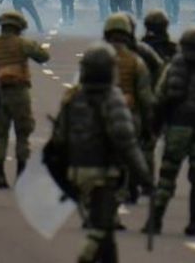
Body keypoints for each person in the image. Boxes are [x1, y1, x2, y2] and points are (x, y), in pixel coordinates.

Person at [48, 43, 152, 263]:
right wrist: (144, 177)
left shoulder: (72, 98)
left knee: (106, 236)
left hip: (76, 173)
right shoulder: (113, 99)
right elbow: (126, 142)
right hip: (103, 174)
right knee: (101, 230)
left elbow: (59, 140)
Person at [146, 28, 195, 237]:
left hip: (177, 127)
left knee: (167, 175)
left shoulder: (172, 68)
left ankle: (156, 219)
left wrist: (155, 128)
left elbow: (160, 99)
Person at [0, 10, 50, 188]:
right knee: (23, 134)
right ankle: (20, 175)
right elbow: (43, 57)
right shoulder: (23, 43)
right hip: (19, 92)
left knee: (0, 135)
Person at [102, 13, 155, 202]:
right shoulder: (136, 61)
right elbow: (145, 97)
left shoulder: (97, 57)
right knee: (130, 152)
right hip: (130, 115)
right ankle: (129, 187)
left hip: (102, 115)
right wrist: (150, 124)